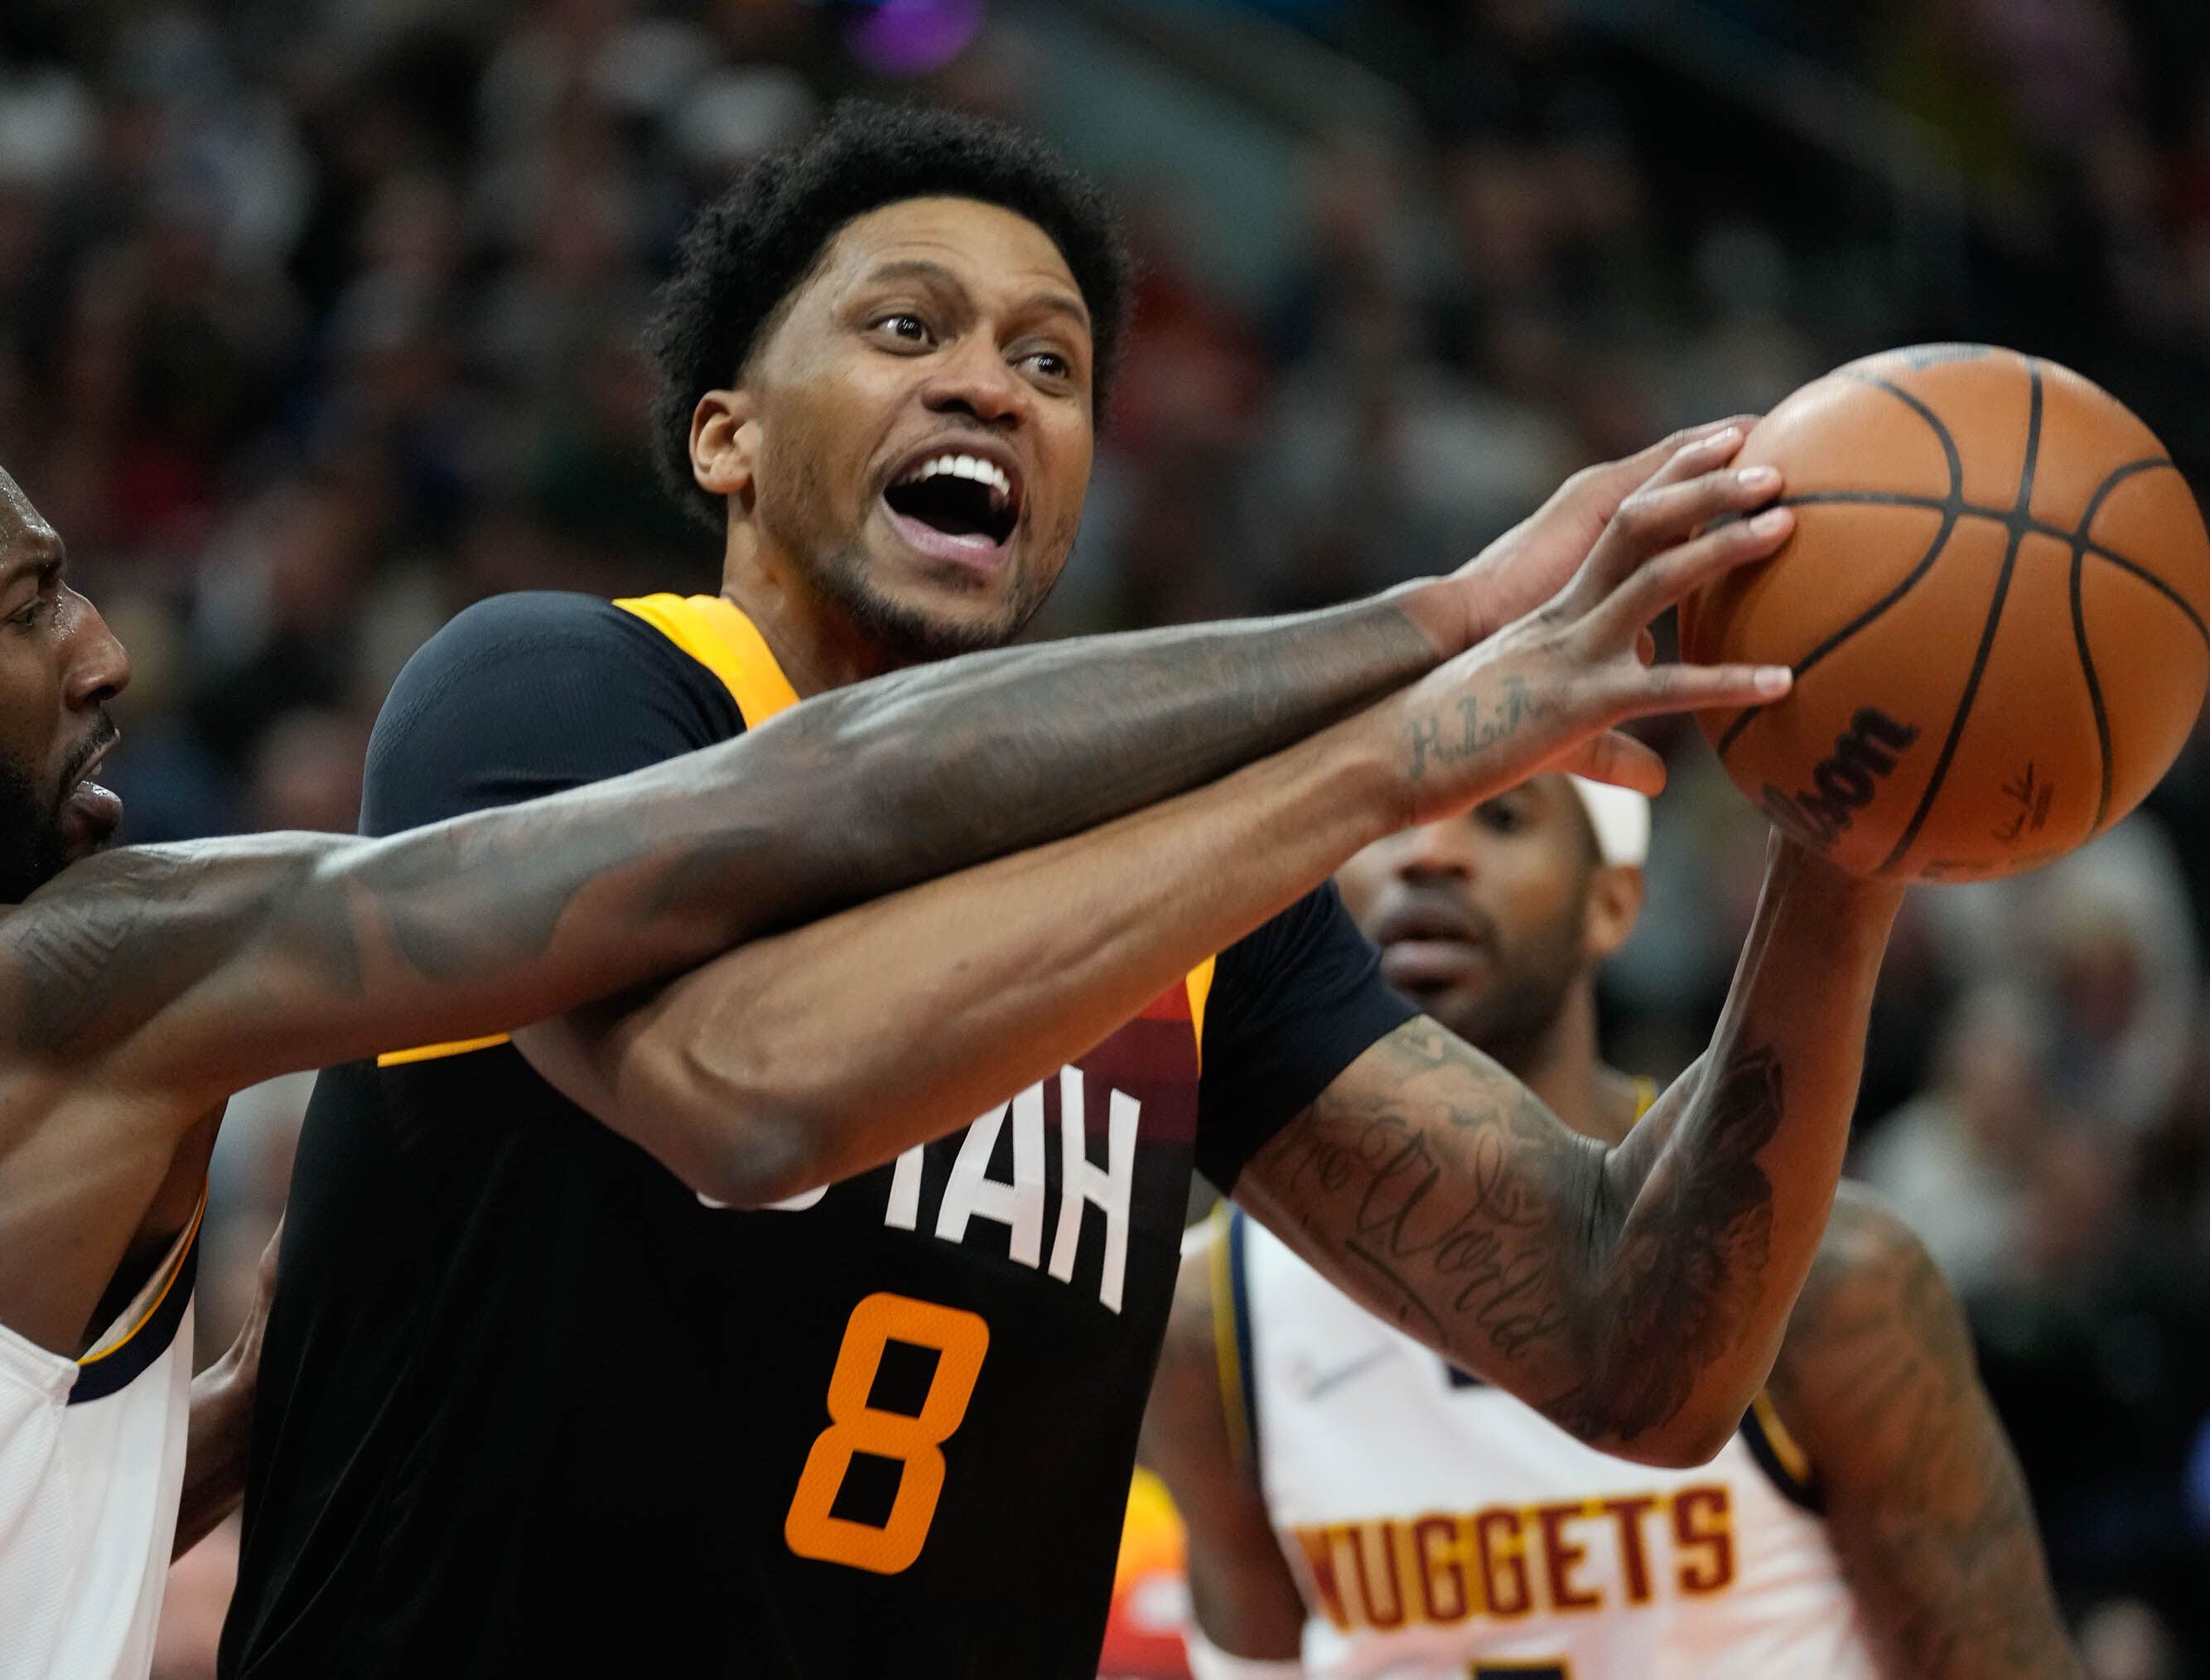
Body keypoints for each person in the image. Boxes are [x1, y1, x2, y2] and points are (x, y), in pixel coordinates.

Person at [222, 103, 1900, 1678]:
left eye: (1050, 362)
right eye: (904, 329)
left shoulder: (1190, 886)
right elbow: (744, 1095)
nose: (990, 387)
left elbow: (1627, 1346)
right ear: (723, 437)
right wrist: (1414, 686)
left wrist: (1856, 841)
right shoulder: (554, 692)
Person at [1140, 774, 2082, 1679]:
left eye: (1502, 822)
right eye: (1387, 821)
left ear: (1612, 905)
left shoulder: (1832, 1281)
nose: (1430, 856)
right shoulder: (1204, 1322)